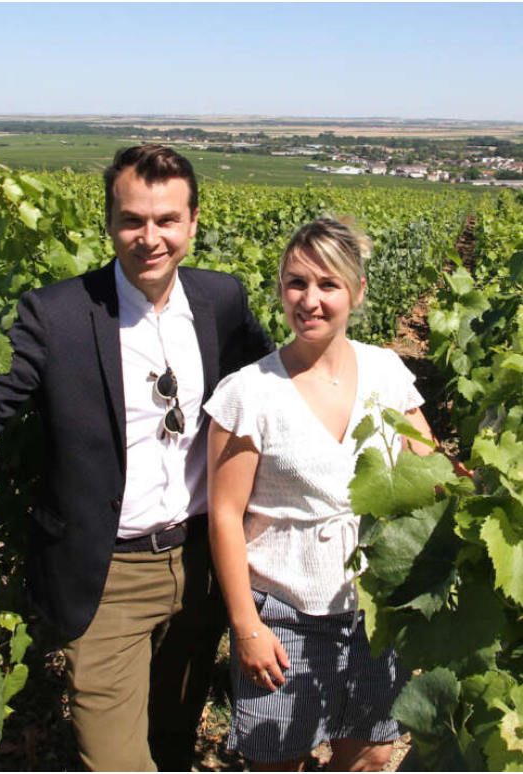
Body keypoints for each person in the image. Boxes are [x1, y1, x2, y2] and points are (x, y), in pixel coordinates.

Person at [0, 145, 273, 771]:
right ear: (108, 222)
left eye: (167, 220)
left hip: (206, 562)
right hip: (106, 574)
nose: (150, 237)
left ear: (193, 223)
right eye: (133, 220)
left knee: (170, 737)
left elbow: (282, 390)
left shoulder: (222, 301)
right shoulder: (54, 315)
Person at [204, 217, 439, 772]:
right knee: (278, 759)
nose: (309, 300)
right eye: (296, 282)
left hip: (370, 604)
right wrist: (246, 627)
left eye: (327, 284)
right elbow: (224, 516)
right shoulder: (248, 394)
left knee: (372, 751)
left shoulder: (387, 371)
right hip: (284, 612)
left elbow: (429, 473)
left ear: (357, 293)